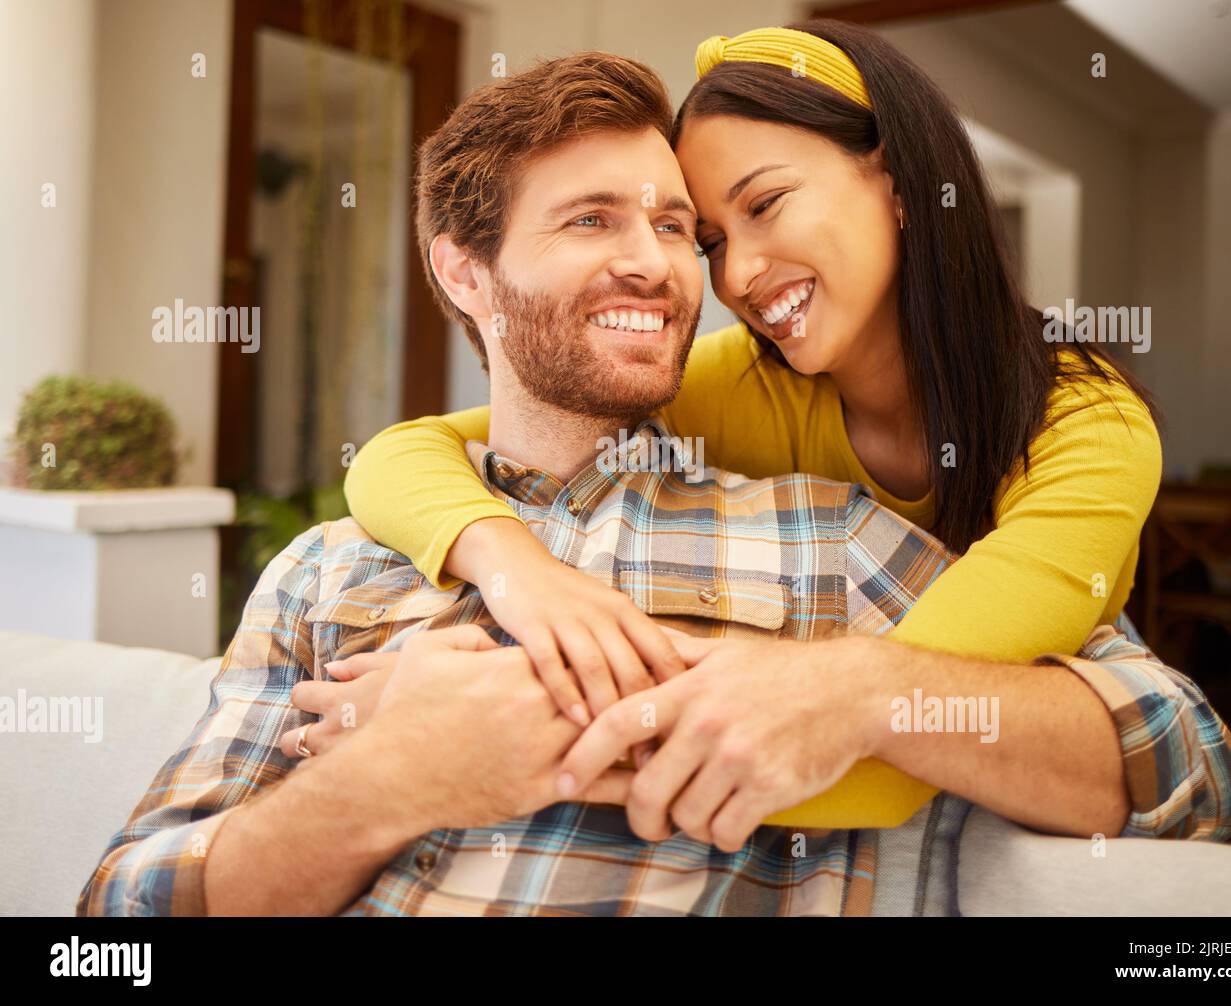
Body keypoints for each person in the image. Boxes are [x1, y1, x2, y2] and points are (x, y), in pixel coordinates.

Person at [77, 50, 1231, 918]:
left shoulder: (836, 537)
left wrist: (547, 712)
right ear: (462, 271)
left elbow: (1185, 755)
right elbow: (103, 938)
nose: (676, 263)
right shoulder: (331, 572)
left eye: (677, 225)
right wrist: (389, 774)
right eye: (595, 218)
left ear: (894, 185)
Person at [343, 21, 1166, 828]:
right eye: (707, 240)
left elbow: (889, 748)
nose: (736, 276)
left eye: (766, 204)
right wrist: (517, 567)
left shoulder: (1089, 427)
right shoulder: (739, 382)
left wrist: (467, 735)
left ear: (900, 181)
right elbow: (413, 449)